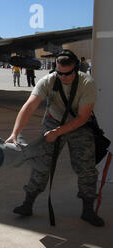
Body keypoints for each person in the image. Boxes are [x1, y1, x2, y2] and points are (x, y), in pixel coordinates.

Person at [6, 50, 104, 227]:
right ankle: (28, 203)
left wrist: (58, 133)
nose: (63, 77)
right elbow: (29, 106)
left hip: (78, 125)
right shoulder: (48, 81)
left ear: (76, 69)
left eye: (68, 73)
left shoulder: (86, 83)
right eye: (60, 72)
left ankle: (88, 210)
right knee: (42, 165)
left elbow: (82, 118)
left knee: (86, 168)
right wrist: (14, 133)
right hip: (53, 120)